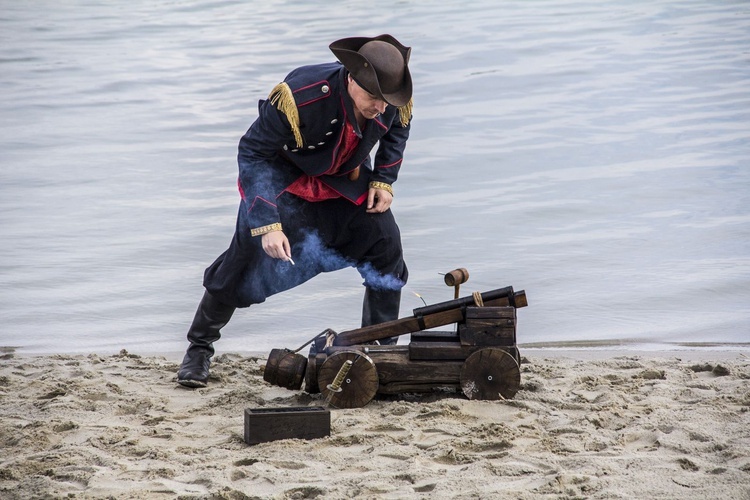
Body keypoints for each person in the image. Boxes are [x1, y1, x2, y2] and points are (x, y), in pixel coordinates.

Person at [177, 34, 414, 388]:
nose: (381, 108)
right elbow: (253, 154)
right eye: (374, 99)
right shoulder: (299, 96)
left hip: (341, 184)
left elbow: (398, 128)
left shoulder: (390, 98)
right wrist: (268, 224)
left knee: (385, 245)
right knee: (240, 264)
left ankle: (377, 350)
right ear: (351, 78)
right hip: (281, 186)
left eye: (386, 101)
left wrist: (383, 179)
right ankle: (198, 349)